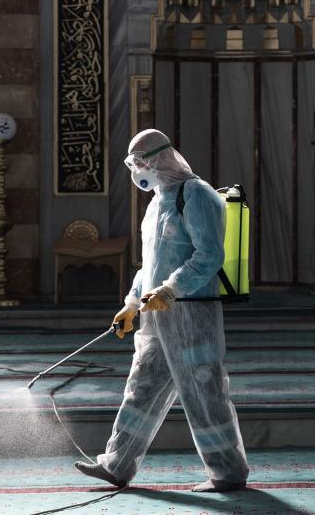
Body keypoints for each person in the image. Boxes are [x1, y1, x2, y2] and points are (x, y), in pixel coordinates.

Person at [75, 128, 250, 493]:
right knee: (140, 389)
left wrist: (171, 289)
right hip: (156, 319)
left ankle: (228, 472)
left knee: (205, 392)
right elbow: (150, 263)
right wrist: (130, 302)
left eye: (141, 162)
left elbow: (209, 257)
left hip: (191, 316)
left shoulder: (197, 195)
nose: (137, 169)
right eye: (133, 163)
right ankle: (117, 465)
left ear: (158, 159)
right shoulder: (157, 201)